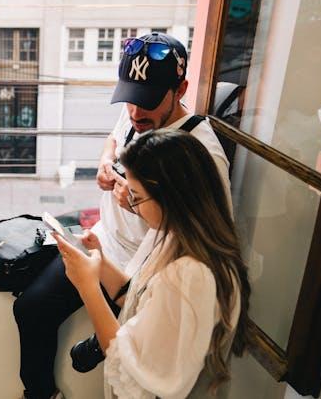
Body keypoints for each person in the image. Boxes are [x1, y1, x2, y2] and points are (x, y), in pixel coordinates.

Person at [12, 32, 231, 399]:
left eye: (145, 102)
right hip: (106, 242)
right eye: (129, 98)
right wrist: (104, 162)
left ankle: (106, 337)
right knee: (30, 308)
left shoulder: (202, 153)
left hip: (145, 270)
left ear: (181, 89)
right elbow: (116, 137)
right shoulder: (138, 112)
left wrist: (137, 205)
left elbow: (205, 233)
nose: (134, 112)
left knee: (126, 372)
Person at [54, 129, 251, 398]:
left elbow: (133, 369)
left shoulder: (191, 274)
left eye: (136, 196)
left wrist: (87, 287)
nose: (132, 205)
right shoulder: (172, 235)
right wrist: (97, 260)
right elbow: (138, 297)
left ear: (170, 197)